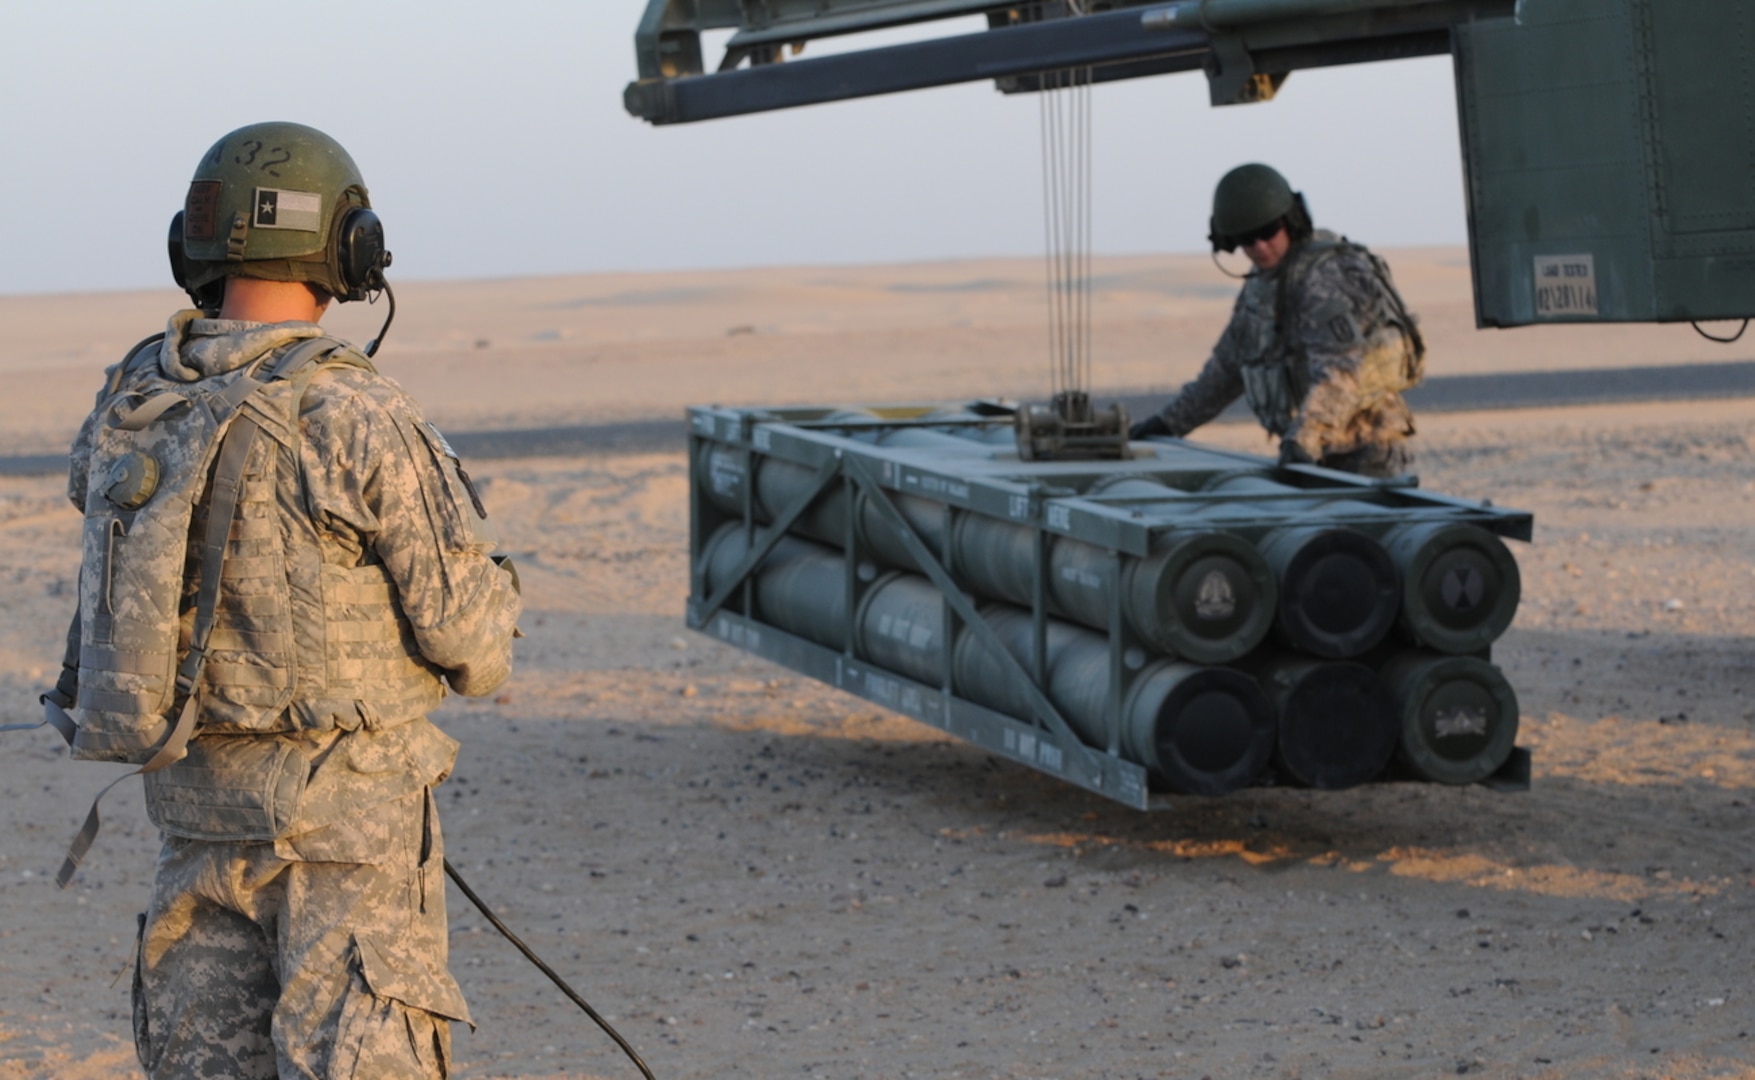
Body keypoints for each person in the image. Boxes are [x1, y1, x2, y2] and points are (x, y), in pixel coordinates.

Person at [45, 121, 522, 1077]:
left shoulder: (135, 394)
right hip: (343, 835)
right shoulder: (354, 409)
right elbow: (471, 641)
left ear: (196, 244)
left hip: (191, 818)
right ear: (352, 248)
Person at [1130, 163, 1425, 478]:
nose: (1259, 247)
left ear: (1292, 222)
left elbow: (1340, 373)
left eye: (1269, 232)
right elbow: (1226, 370)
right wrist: (1167, 424)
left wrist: (1303, 443)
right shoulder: (1263, 284)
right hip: (1312, 454)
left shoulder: (1325, 277)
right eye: (1246, 238)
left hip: (1365, 450)